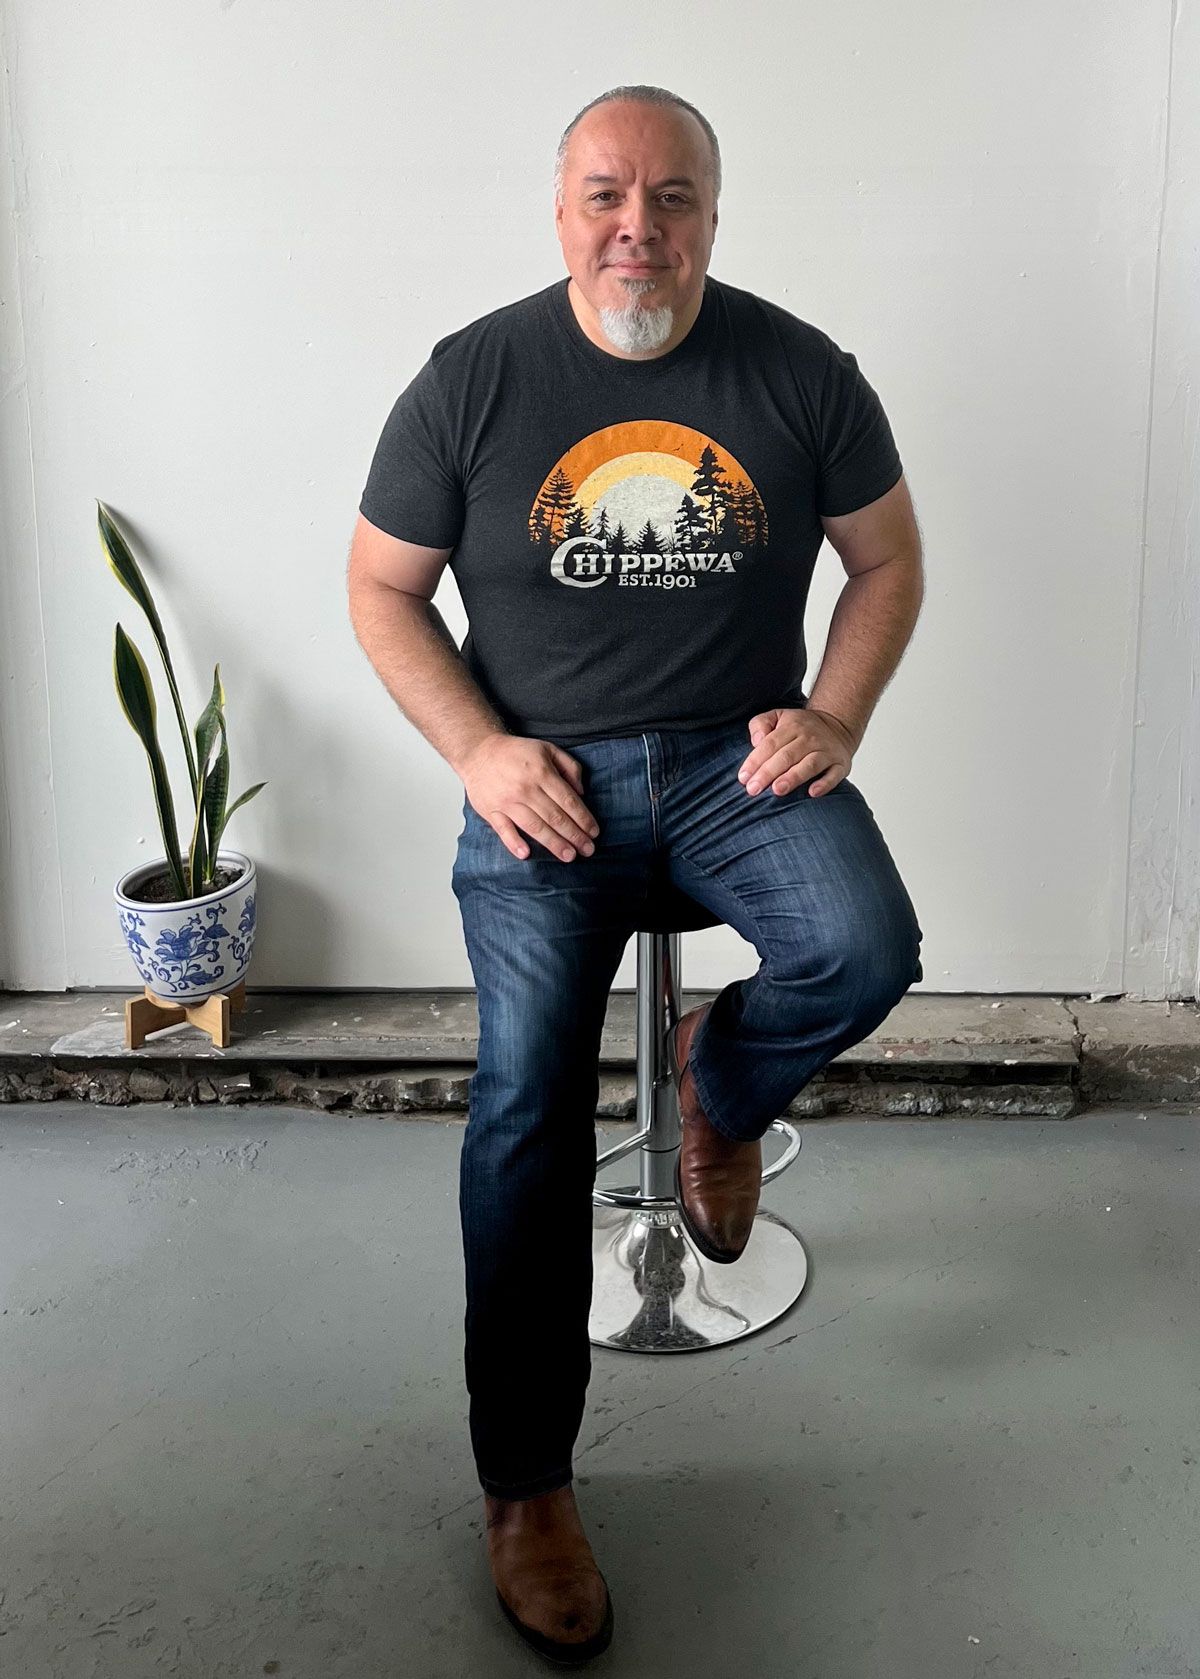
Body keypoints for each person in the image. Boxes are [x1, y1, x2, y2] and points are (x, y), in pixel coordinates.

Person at [348, 84, 925, 1664]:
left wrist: (835, 713)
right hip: (546, 786)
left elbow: (887, 560)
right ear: (561, 213)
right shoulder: (471, 379)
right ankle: (527, 1486)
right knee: (525, 1105)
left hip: (740, 764)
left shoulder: (803, 373)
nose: (637, 228)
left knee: (864, 949)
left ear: (713, 218)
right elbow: (382, 590)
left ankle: (716, 1088)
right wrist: (480, 751)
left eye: (673, 198)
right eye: (607, 194)